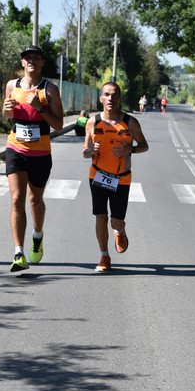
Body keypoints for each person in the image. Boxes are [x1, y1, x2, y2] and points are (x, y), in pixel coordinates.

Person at [2, 45, 64, 273]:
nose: (32, 61)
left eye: (36, 58)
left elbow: (58, 124)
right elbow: (8, 115)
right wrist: (6, 109)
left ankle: (37, 236)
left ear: (42, 63)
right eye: (28, 58)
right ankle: (18, 253)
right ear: (22, 63)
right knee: (17, 199)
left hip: (40, 154)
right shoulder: (12, 85)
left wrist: (40, 108)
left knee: (35, 200)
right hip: (15, 148)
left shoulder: (50, 89)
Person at [83, 82, 149, 273]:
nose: (110, 98)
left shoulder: (130, 122)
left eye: (114, 95)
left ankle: (120, 230)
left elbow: (144, 145)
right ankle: (104, 255)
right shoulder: (93, 122)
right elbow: (85, 152)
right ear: (101, 98)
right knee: (101, 217)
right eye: (107, 95)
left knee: (115, 221)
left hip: (121, 177)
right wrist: (90, 151)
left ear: (119, 98)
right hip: (97, 175)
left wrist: (131, 149)